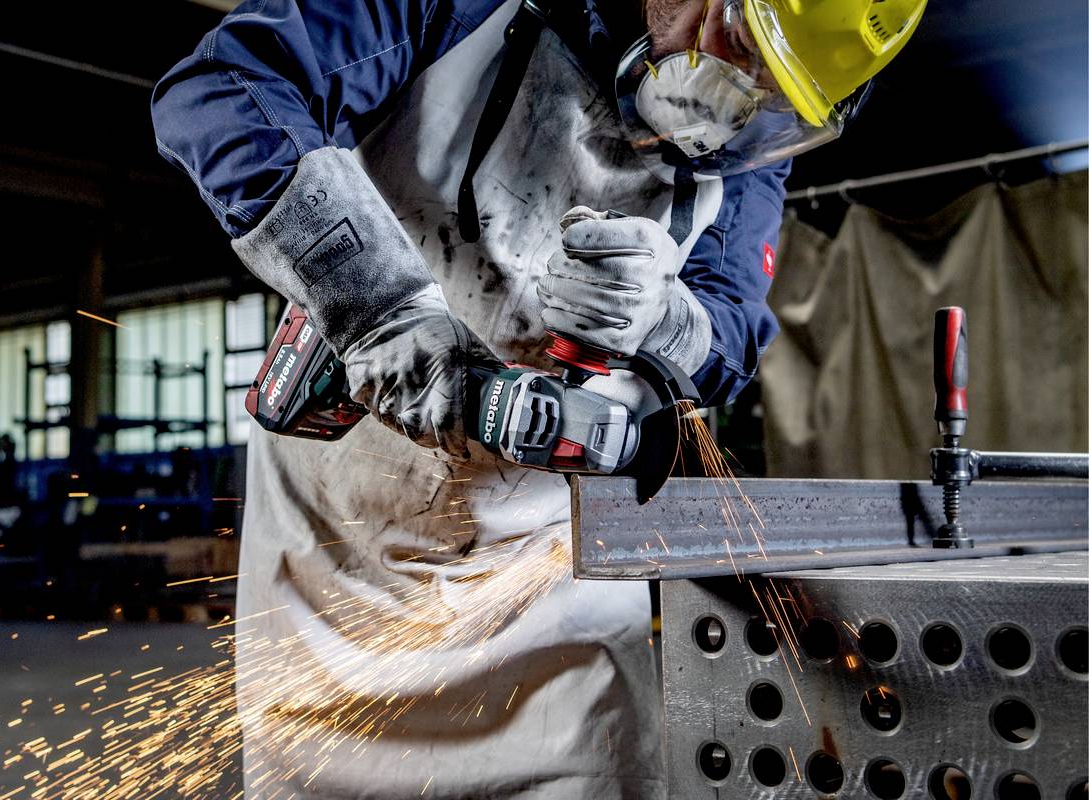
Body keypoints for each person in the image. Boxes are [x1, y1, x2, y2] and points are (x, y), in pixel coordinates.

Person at [151, 0, 924, 796]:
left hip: (554, 577)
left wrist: (664, 317)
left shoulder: (741, 140)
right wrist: (374, 304)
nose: (733, 95)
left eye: (772, 91)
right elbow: (225, 87)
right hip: (340, 550)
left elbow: (729, 334)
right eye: (735, 41)